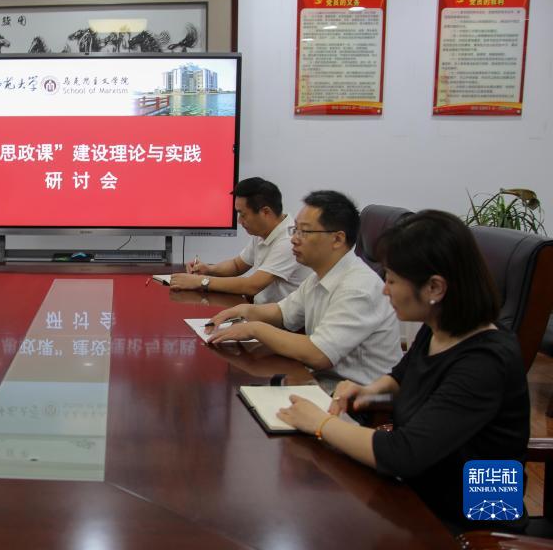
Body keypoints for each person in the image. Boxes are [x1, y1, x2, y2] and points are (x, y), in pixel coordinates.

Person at [276, 210, 529, 531]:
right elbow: (402, 376)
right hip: (421, 488)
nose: (385, 290)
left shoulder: (484, 363)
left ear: (434, 288)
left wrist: (320, 423)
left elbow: (404, 454)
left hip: (473, 517)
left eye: (392, 280)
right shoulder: (441, 326)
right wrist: (369, 390)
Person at [208, 190, 401, 386]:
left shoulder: (358, 288)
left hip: (356, 397)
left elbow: (319, 354)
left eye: (304, 232)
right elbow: (283, 313)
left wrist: (255, 329)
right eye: (295, 230)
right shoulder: (320, 276)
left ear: (337, 239)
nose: (294, 239)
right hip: (321, 382)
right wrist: (244, 311)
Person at [170, 177, 308, 303]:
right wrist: (209, 269)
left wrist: (200, 282)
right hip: (261, 310)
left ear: (265, 212)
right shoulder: (263, 232)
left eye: (243, 214)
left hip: (281, 319)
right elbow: (237, 265)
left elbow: (252, 286)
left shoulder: (289, 240)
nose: (239, 221)